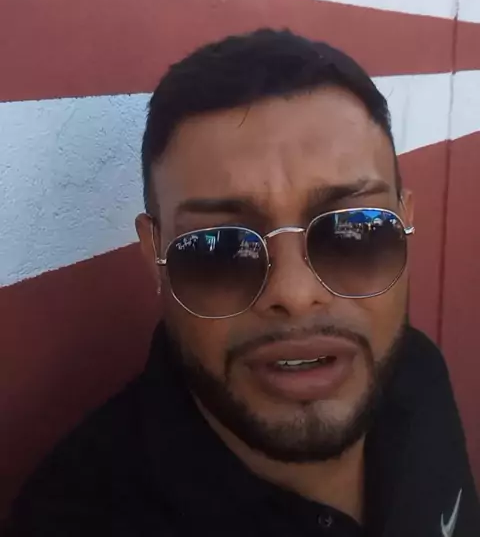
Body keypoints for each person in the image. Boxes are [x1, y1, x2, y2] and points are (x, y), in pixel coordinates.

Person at [6, 29, 480, 536]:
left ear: (405, 225)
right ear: (155, 256)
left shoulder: (418, 374)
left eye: (353, 230)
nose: (295, 294)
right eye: (221, 248)